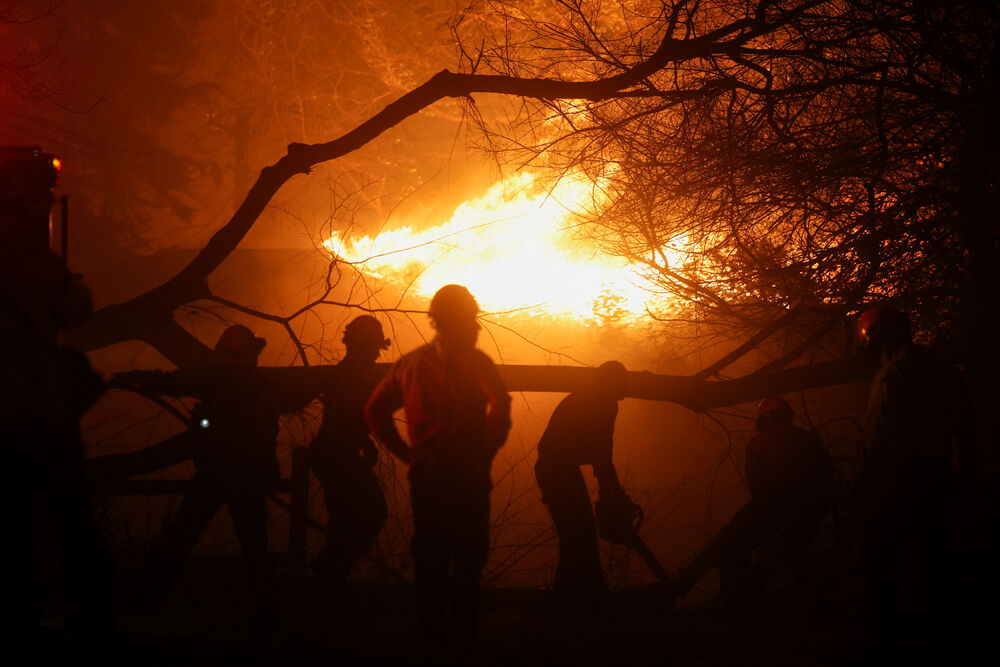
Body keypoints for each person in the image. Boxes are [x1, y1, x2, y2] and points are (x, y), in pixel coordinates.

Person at [1, 191, 115, 662]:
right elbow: (78, 314)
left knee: (11, 529)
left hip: (2, 425)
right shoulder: (42, 266)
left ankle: (17, 621)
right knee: (73, 526)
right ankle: (87, 626)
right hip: (48, 419)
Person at [364, 285, 511, 642]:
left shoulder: (410, 363)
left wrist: (407, 453)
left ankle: (429, 634)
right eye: (473, 319)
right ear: (464, 320)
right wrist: (484, 451)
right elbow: (501, 409)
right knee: (470, 553)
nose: (476, 327)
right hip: (468, 473)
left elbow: (374, 411)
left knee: (431, 551)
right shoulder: (477, 363)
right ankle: (460, 637)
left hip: (428, 473)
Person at [118, 325, 282, 625]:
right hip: (244, 477)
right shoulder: (261, 386)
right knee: (254, 546)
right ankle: (268, 612)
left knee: (181, 537)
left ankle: (146, 598)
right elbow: (267, 436)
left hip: (218, 474)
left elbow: (173, 382)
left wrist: (135, 378)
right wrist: (266, 473)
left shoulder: (216, 379)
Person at [855, 305, 964, 630]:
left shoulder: (890, 379)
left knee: (883, 562)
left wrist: (861, 488)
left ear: (878, 342)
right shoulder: (943, 369)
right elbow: (964, 424)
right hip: (940, 476)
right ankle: (942, 629)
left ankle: (886, 635)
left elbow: (875, 441)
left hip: (898, 484)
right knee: (936, 558)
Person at [671, 396, 835, 607]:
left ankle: (735, 601)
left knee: (751, 547)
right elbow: (760, 489)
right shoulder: (794, 442)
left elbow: (820, 483)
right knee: (730, 542)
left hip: (793, 512)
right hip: (777, 510)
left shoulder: (796, 443)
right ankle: (722, 595)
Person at [534, 361, 633, 603]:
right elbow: (602, 454)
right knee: (578, 533)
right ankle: (574, 597)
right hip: (556, 468)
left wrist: (611, 488)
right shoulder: (601, 404)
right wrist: (614, 490)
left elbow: (600, 454)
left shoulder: (592, 399)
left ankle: (572, 595)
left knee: (578, 533)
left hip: (558, 468)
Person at [308, 315, 390, 585]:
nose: (378, 353)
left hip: (335, 454)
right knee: (369, 512)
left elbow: (347, 418)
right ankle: (330, 578)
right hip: (335, 456)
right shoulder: (351, 376)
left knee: (348, 519)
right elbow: (345, 420)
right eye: (375, 347)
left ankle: (330, 583)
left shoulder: (349, 374)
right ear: (365, 345)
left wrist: (364, 442)